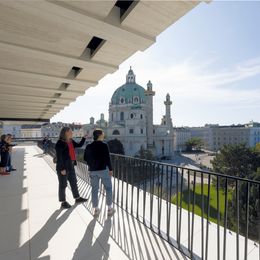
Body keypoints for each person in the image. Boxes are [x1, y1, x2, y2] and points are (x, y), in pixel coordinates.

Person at [55, 127, 88, 209]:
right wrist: (62, 169)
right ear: (66, 132)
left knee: (73, 182)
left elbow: (79, 145)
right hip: (63, 167)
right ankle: (63, 202)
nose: (72, 132)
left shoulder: (70, 140)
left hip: (71, 165)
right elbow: (59, 157)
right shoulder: (60, 143)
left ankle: (77, 198)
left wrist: (84, 138)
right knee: (63, 184)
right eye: (70, 131)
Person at [84, 129, 115, 216]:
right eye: (103, 133)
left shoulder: (89, 146)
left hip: (93, 171)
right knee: (108, 188)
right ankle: (109, 209)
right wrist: (111, 169)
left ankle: (96, 209)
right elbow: (107, 158)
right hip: (103, 170)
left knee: (94, 189)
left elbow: (85, 158)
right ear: (100, 135)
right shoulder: (104, 145)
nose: (104, 134)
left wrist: (91, 165)